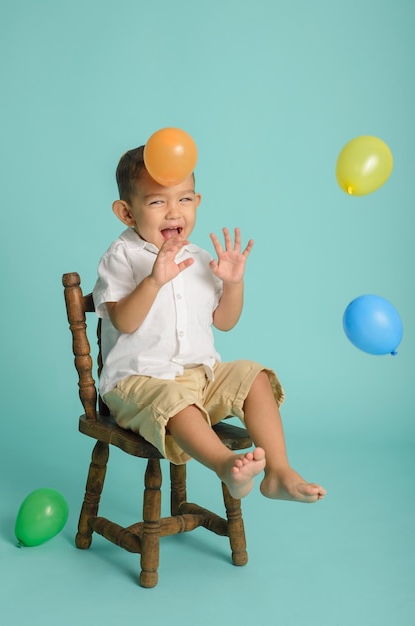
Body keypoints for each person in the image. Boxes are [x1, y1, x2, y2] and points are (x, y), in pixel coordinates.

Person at [93, 146, 326, 503]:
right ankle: (226, 464)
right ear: (126, 212)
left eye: (184, 199)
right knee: (174, 400)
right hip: (137, 385)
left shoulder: (199, 258)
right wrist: (153, 281)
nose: (174, 211)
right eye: (157, 202)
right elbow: (123, 321)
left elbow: (225, 322)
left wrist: (233, 283)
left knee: (255, 376)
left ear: (197, 202)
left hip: (200, 379)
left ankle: (278, 471)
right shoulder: (121, 256)